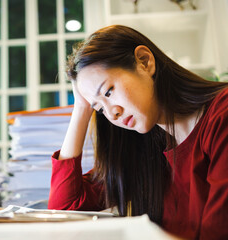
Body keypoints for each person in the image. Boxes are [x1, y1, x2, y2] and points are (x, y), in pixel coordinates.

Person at [48, 25, 228, 240]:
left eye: (108, 91)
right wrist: (81, 108)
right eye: (100, 109)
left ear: (144, 61)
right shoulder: (144, 149)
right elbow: (63, 209)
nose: (112, 114)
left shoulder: (221, 117)